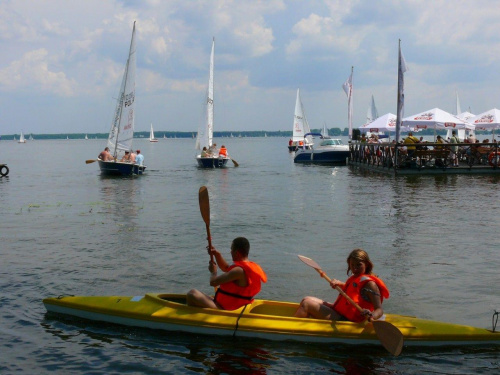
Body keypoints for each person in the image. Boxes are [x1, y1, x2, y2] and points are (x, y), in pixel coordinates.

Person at [294, 249, 389, 323]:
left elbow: (379, 309)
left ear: (367, 264)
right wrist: (340, 284)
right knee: (305, 299)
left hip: (348, 320)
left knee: (306, 304)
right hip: (340, 312)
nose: (355, 269)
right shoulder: (356, 278)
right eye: (352, 265)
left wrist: (372, 315)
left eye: (358, 265)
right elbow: (355, 292)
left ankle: (294, 329)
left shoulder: (370, 284)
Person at [187, 237, 267, 310]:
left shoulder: (238, 271)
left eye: (231, 250)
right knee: (196, 295)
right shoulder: (247, 267)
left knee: (192, 294)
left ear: (237, 253)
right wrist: (217, 254)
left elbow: (213, 282)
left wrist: (213, 272)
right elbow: (226, 268)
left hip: (227, 309)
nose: (230, 252)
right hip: (233, 305)